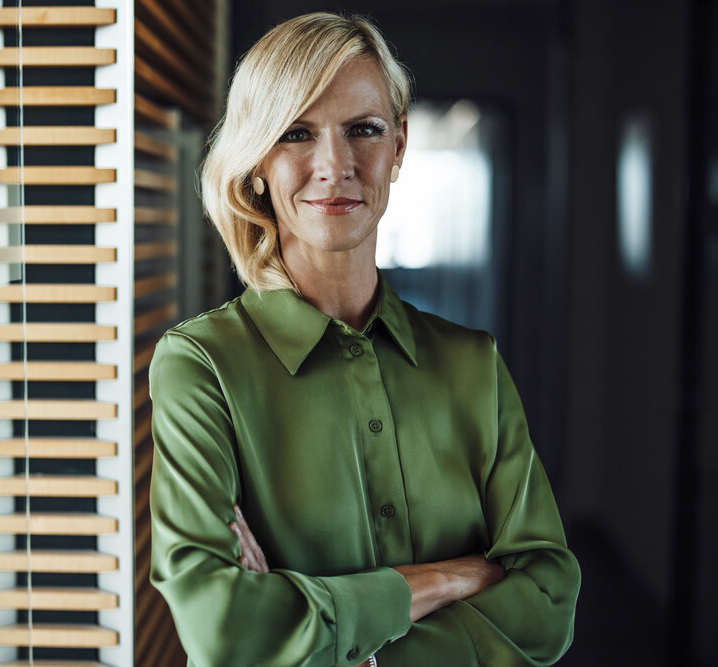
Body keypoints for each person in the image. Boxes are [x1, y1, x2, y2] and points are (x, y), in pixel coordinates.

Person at [148, 12, 580, 667]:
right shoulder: (202, 367)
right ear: (257, 161)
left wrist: (322, 633)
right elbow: (225, 631)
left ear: (399, 146)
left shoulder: (473, 364)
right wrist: (455, 576)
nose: (335, 164)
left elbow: (548, 601)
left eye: (364, 130)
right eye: (296, 133)